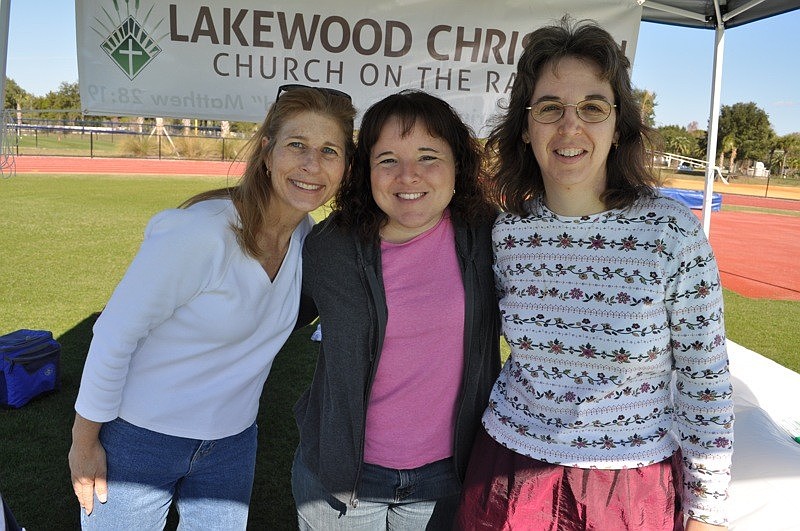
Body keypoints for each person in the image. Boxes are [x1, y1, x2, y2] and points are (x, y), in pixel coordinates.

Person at [455, 17, 734, 531]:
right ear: (525, 127)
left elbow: (706, 380)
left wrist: (708, 512)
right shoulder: (507, 232)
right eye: (549, 108)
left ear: (618, 125)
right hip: (508, 472)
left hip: (628, 489)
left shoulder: (671, 232)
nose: (570, 126)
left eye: (592, 107)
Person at [68, 84, 356, 529]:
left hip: (232, 445)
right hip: (140, 439)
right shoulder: (201, 232)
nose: (311, 164)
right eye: (297, 145)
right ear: (267, 153)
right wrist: (84, 443)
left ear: (345, 168)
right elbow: (114, 333)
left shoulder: (307, 240)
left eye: (329, 151)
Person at [291, 90, 501, 530]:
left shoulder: (491, 238)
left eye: (428, 156)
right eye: (388, 160)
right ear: (365, 170)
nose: (408, 176)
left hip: (447, 478)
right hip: (343, 481)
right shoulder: (329, 248)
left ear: (458, 164)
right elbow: (272, 320)